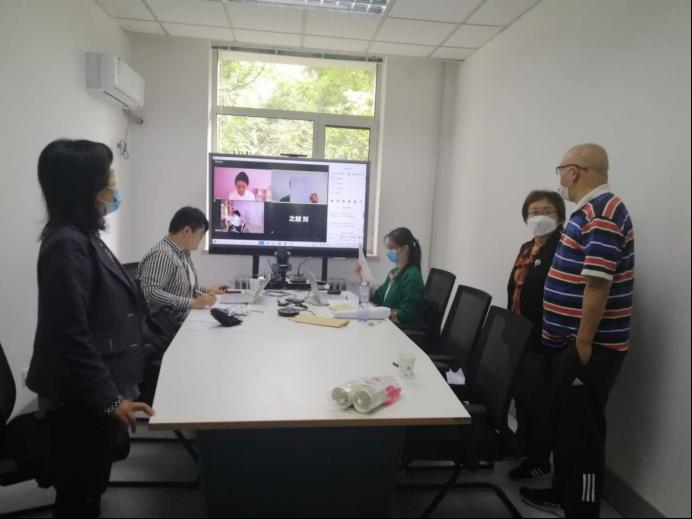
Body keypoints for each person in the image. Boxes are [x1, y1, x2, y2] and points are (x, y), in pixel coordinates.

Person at [26, 139, 154, 517]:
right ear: (84, 188)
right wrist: (110, 399)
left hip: (89, 396)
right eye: (109, 179)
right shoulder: (67, 245)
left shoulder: (84, 237)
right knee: (80, 495)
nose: (114, 186)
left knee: (89, 488)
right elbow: (70, 335)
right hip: (78, 401)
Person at [521, 144, 634, 517]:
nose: (560, 180)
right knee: (567, 428)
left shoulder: (602, 213)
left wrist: (582, 343)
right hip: (570, 343)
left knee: (583, 434)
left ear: (573, 172)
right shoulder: (587, 212)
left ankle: (581, 510)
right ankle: (560, 494)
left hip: (589, 347)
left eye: (561, 171)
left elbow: (598, 284)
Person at [507, 190, 565, 481]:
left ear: (560, 217)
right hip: (518, 334)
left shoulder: (563, 248)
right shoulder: (527, 247)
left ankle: (539, 459)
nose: (539, 217)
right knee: (522, 395)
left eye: (547, 211)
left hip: (543, 338)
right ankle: (522, 445)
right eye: (533, 212)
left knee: (539, 400)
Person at [138, 207, 227, 325]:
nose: (201, 240)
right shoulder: (162, 254)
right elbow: (150, 292)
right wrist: (192, 303)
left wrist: (208, 290)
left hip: (181, 318)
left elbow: (183, 290)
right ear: (187, 231)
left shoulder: (182, 253)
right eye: (200, 235)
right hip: (168, 325)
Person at [355, 227, 424, 326]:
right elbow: (379, 297)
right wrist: (360, 274)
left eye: (392, 248)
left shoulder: (413, 276)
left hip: (400, 329)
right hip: (389, 323)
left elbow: (406, 314)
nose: (390, 252)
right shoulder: (394, 272)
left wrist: (382, 314)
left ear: (405, 249)